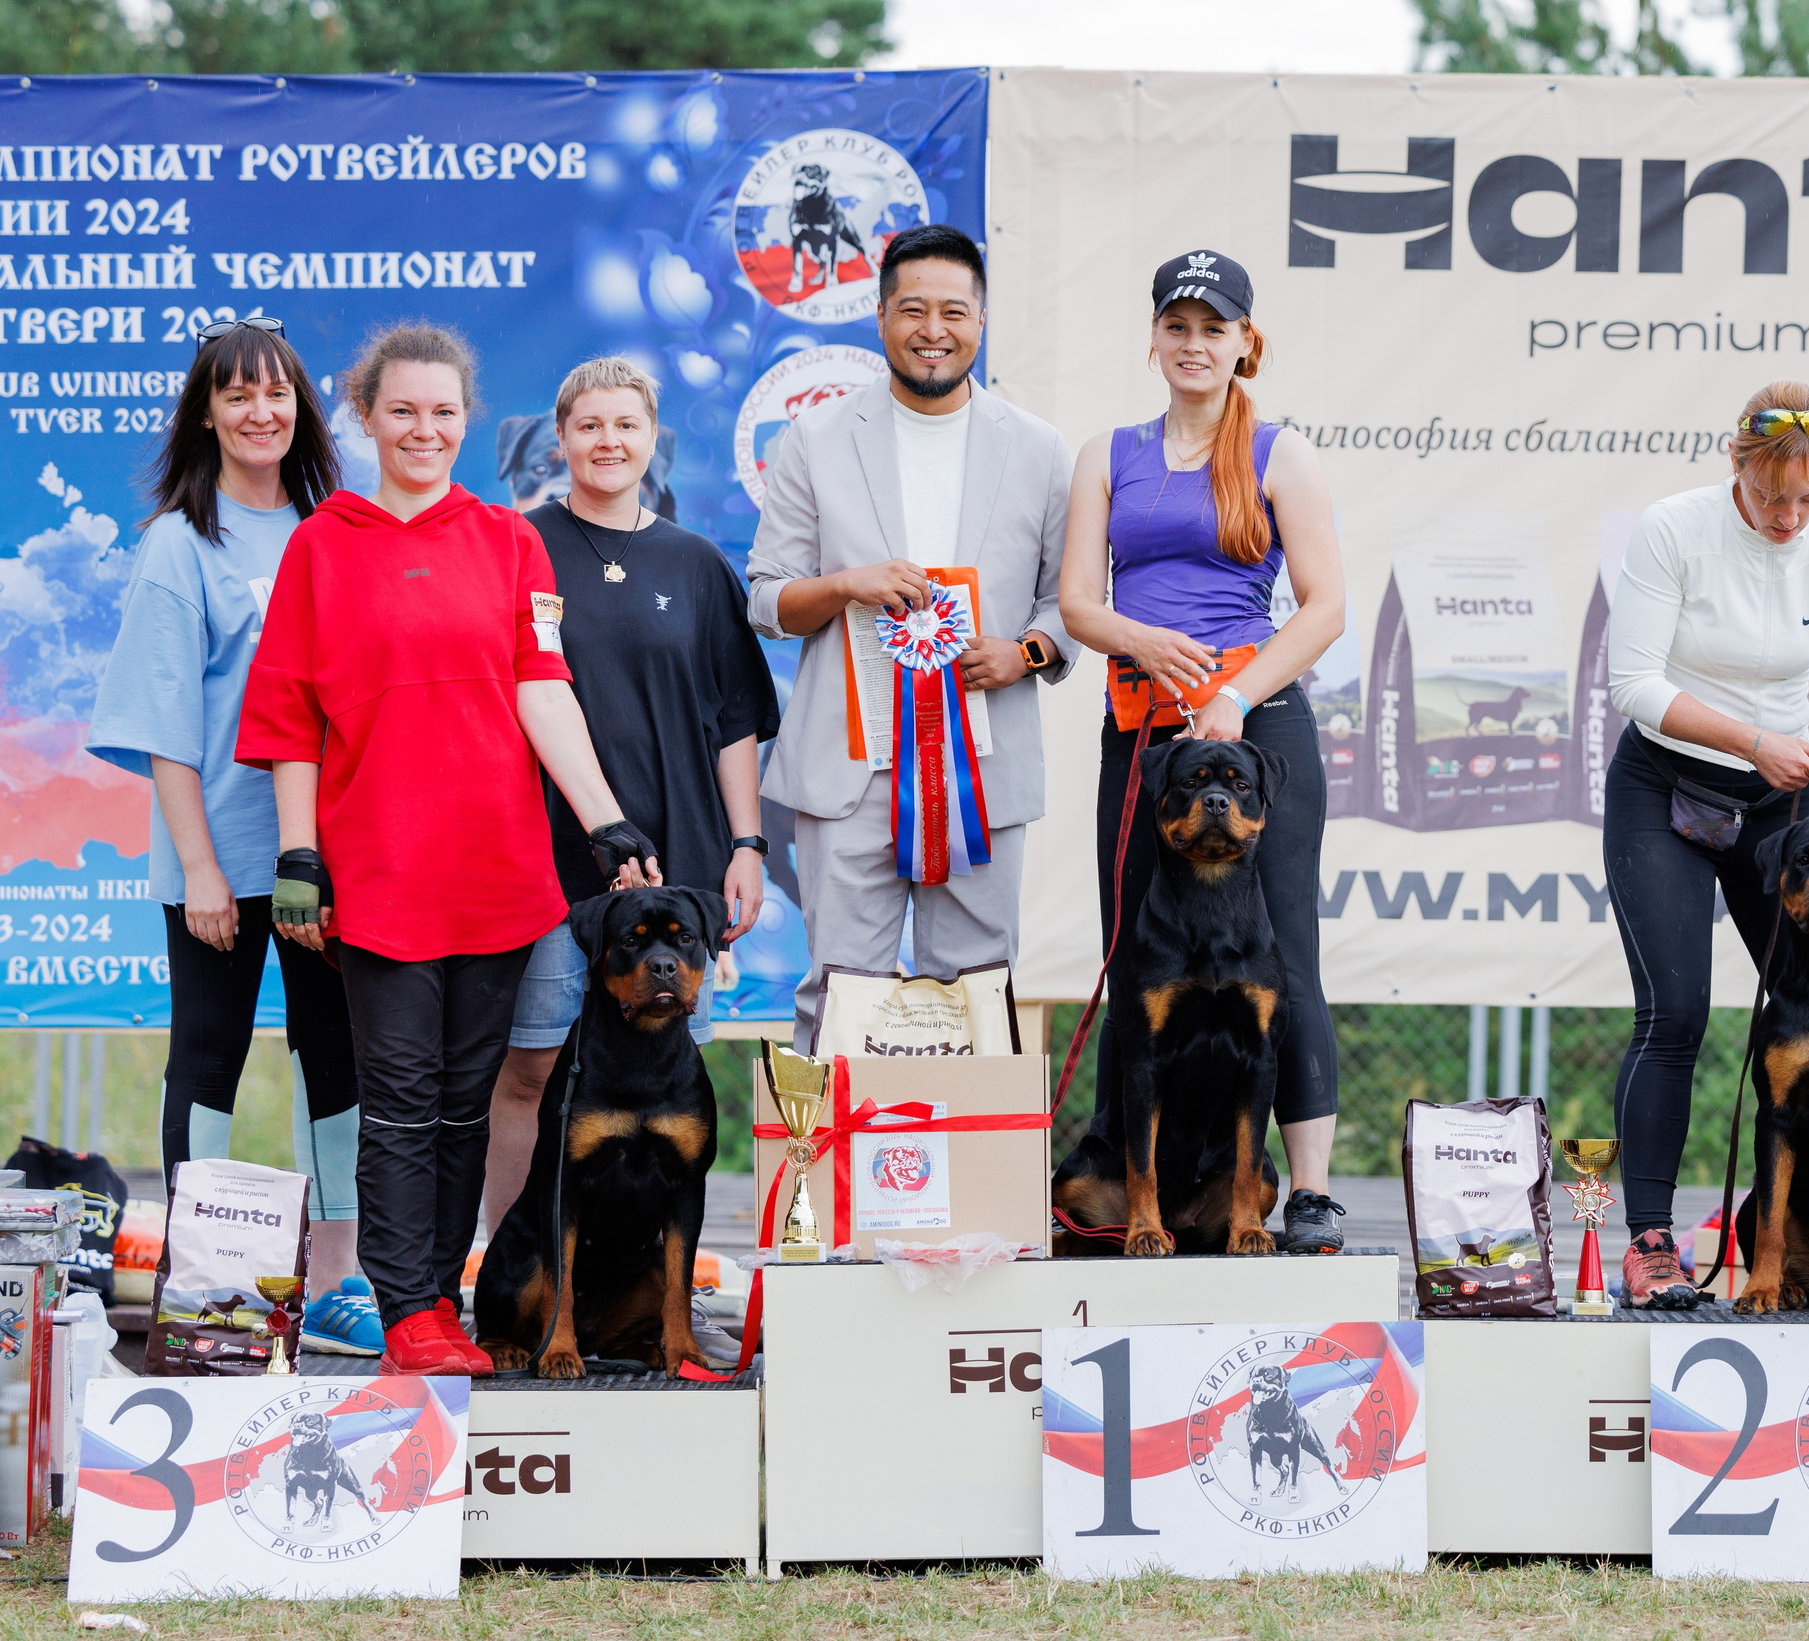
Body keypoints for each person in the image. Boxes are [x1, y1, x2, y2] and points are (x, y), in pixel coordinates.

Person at [236, 320, 657, 1378]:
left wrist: (604, 819)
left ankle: (438, 1296)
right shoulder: (321, 543)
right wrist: (298, 856)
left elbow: (539, 686)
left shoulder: (508, 540)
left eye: (444, 412)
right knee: (402, 1096)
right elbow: (288, 718)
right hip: (375, 878)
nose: (425, 429)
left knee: (467, 1100)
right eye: (403, 411)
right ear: (368, 418)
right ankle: (408, 1304)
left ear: (468, 420)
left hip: (499, 871)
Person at [86, 316, 379, 1357]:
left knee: (333, 1058)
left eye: (278, 394)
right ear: (205, 413)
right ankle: (201, 1284)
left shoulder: (335, 524)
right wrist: (202, 863)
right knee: (206, 1058)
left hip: (322, 853)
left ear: (302, 407)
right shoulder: (180, 540)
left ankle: (340, 1280)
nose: (261, 412)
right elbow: (164, 718)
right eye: (237, 394)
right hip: (215, 849)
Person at [480, 357, 778, 1365]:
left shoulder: (697, 564)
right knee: (527, 1071)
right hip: (548, 864)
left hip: (675, 876)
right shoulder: (517, 548)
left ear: (654, 439)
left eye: (627, 424)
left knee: (658, 1086)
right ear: (558, 438)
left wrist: (743, 843)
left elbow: (736, 719)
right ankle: (510, 1289)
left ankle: (650, 1313)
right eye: (589, 425)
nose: (608, 441)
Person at [1053, 249, 1351, 1253]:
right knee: (1136, 956)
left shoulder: (1279, 451)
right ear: (1153, 338)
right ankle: (1127, 1185)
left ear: (1242, 342)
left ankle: (1303, 1190)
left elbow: (1326, 608)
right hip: (1140, 728)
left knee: (1285, 952)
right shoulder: (1107, 452)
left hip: (1255, 724)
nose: (1193, 344)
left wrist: (1232, 693)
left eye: (1212, 328)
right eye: (1176, 326)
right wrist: (1135, 639)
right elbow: (1078, 604)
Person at [745, 224, 1078, 1050]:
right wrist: (845, 584)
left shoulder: (1037, 449)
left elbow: (1069, 602)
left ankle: (966, 1181)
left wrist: (1023, 653)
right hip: (846, 769)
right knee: (838, 997)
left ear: (982, 319)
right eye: (914, 310)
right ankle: (823, 1181)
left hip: (982, 770)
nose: (935, 329)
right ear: (882, 317)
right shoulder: (816, 439)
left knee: (975, 1000)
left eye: (955, 311)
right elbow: (766, 599)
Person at [1603, 381, 1809, 1308]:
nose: (1789, 517)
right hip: (1668, 782)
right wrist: (1754, 742)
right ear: (1738, 463)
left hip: (1785, 804)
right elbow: (1635, 684)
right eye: (1773, 497)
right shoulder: (1672, 528)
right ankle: (1652, 1242)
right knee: (1676, 1013)